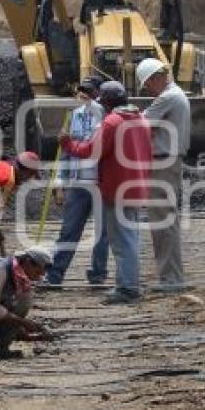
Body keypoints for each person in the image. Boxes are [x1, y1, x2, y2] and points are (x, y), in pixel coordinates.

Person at [59, 81, 151, 304]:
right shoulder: (142, 120)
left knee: (121, 241)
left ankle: (128, 288)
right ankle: (129, 283)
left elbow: (92, 151)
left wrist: (68, 144)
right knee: (130, 238)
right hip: (136, 186)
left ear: (107, 103)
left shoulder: (111, 122)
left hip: (116, 186)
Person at [48, 79, 109, 286]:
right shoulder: (72, 117)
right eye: (81, 92)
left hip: (102, 184)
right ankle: (55, 275)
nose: (83, 97)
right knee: (69, 230)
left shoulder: (108, 117)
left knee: (102, 234)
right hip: (78, 183)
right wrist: (59, 184)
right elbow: (64, 154)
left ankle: (98, 274)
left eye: (88, 93)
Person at [136, 58, 190, 293]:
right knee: (166, 220)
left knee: (163, 222)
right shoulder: (176, 95)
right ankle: (171, 277)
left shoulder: (168, 98)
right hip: (168, 162)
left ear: (156, 77)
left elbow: (139, 124)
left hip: (163, 163)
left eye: (147, 84)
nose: (147, 89)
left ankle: (171, 280)